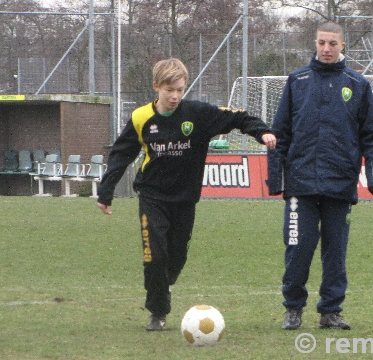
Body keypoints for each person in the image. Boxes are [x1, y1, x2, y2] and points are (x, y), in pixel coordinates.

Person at [96, 58, 276, 331]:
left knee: (176, 258)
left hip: (184, 199)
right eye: (170, 90)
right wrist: (105, 191)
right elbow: (121, 155)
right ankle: (157, 312)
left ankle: (163, 286)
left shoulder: (198, 114)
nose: (175, 96)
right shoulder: (141, 117)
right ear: (157, 87)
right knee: (154, 256)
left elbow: (238, 117)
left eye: (180, 89)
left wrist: (262, 132)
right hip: (152, 197)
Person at [267, 21, 373, 331]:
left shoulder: (357, 84)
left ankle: (330, 311)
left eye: (333, 43)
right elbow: (279, 132)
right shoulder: (297, 81)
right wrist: (276, 178)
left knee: (335, 254)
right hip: (300, 184)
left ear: (342, 45)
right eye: (322, 42)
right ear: (315, 43)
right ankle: (293, 308)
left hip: (340, 184)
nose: (326, 48)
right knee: (298, 249)